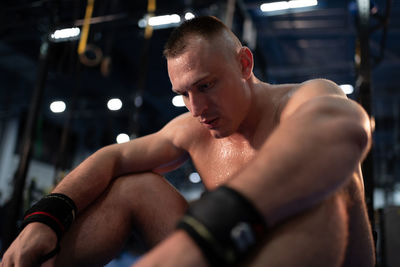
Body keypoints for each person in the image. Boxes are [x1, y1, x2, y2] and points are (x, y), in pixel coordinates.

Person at [1, 16, 375, 267]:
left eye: (205, 85)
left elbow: (343, 127)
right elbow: (112, 157)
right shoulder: (196, 128)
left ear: (245, 64)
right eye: (183, 93)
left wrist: (205, 233)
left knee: (325, 181)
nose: (196, 107)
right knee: (136, 186)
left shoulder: (302, 100)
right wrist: (45, 220)